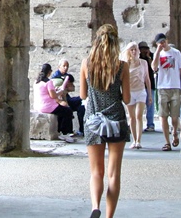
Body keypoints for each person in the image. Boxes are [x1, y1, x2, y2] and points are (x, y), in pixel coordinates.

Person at [80, 24, 131, 218]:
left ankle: (95, 207)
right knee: (113, 173)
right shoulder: (121, 66)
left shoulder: (86, 64)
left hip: (93, 119)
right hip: (116, 119)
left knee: (96, 171)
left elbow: (83, 95)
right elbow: (126, 99)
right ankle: (109, 215)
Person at [151, 32, 181, 151]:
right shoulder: (158, 54)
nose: (163, 43)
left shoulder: (176, 53)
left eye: (164, 41)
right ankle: (167, 142)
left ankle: (175, 132)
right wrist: (157, 52)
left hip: (175, 87)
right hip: (162, 88)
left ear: (166, 40)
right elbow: (154, 67)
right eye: (160, 42)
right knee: (163, 115)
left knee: (175, 116)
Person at [35, 62, 75, 142]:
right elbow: (53, 96)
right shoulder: (48, 82)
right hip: (48, 106)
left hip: (38, 105)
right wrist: (60, 91)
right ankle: (65, 133)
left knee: (61, 112)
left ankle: (59, 131)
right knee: (68, 111)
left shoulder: (36, 81)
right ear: (49, 72)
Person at [121, 41, 150, 149]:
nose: (134, 51)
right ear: (129, 51)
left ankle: (139, 140)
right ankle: (134, 139)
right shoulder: (125, 64)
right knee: (132, 117)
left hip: (141, 91)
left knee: (139, 115)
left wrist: (150, 95)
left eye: (135, 49)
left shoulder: (143, 63)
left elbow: (147, 79)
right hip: (130, 91)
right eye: (131, 49)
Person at [140, 42, 156, 132]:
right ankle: (139, 124)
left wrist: (149, 58)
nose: (144, 50)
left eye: (145, 48)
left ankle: (150, 124)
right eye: (142, 48)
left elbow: (154, 68)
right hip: (141, 85)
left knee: (150, 105)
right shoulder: (138, 58)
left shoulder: (151, 56)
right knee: (140, 106)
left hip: (151, 84)